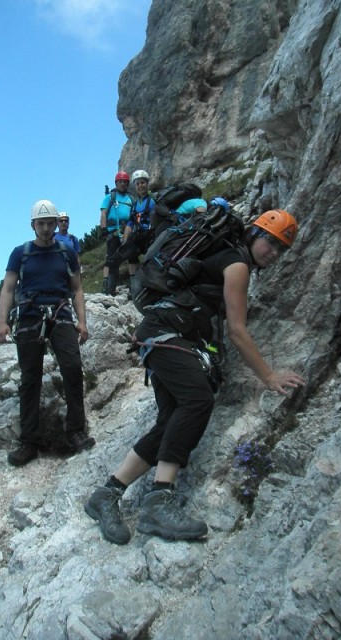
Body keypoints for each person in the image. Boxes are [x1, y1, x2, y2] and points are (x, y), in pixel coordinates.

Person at [85, 209, 305, 545]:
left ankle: (107, 493)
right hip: (165, 334)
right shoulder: (237, 264)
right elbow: (237, 330)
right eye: (269, 240)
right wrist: (269, 376)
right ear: (253, 234)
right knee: (198, 399)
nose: (273, 251)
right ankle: (158, 501)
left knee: (173, 420)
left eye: (281, 248)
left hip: (161, 334)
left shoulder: (227, 257)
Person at [0, 199, 95, 467]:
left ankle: (75, 430)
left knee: (73, 367)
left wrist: (82, 321)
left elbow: (77, 289)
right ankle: (29, 440)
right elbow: (7, 288)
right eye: (42, 223)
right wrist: (2, 323)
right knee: (30, 378)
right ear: (33, 225)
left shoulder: (67, 253)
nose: (47, 228)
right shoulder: (20, 253)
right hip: (29, 315)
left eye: (51, 223)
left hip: (60, 313)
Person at [110, 170, 156, 298]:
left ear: (147, 184)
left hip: (150, 235)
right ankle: (134, 287)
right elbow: (130, 222)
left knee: (150, 259)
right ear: (135, 186)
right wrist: (125, 238)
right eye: (138, 184)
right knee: (130, 256)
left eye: (143, 183)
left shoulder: (153, 200)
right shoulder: (135, 204)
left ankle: (150, 286)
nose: (140, 186)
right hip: (139, 235)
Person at [100, 171, 135, 296]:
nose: (123, 184)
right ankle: (108, 289)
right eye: (120, 182)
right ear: (116, 183)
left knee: (132, 257)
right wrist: (103, 228)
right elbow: (104, 213)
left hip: (128, 230)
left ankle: (133, 287)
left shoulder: (131, 199)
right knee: (111, 259)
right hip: (113, 232)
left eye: (125, 182)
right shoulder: (110, 197)